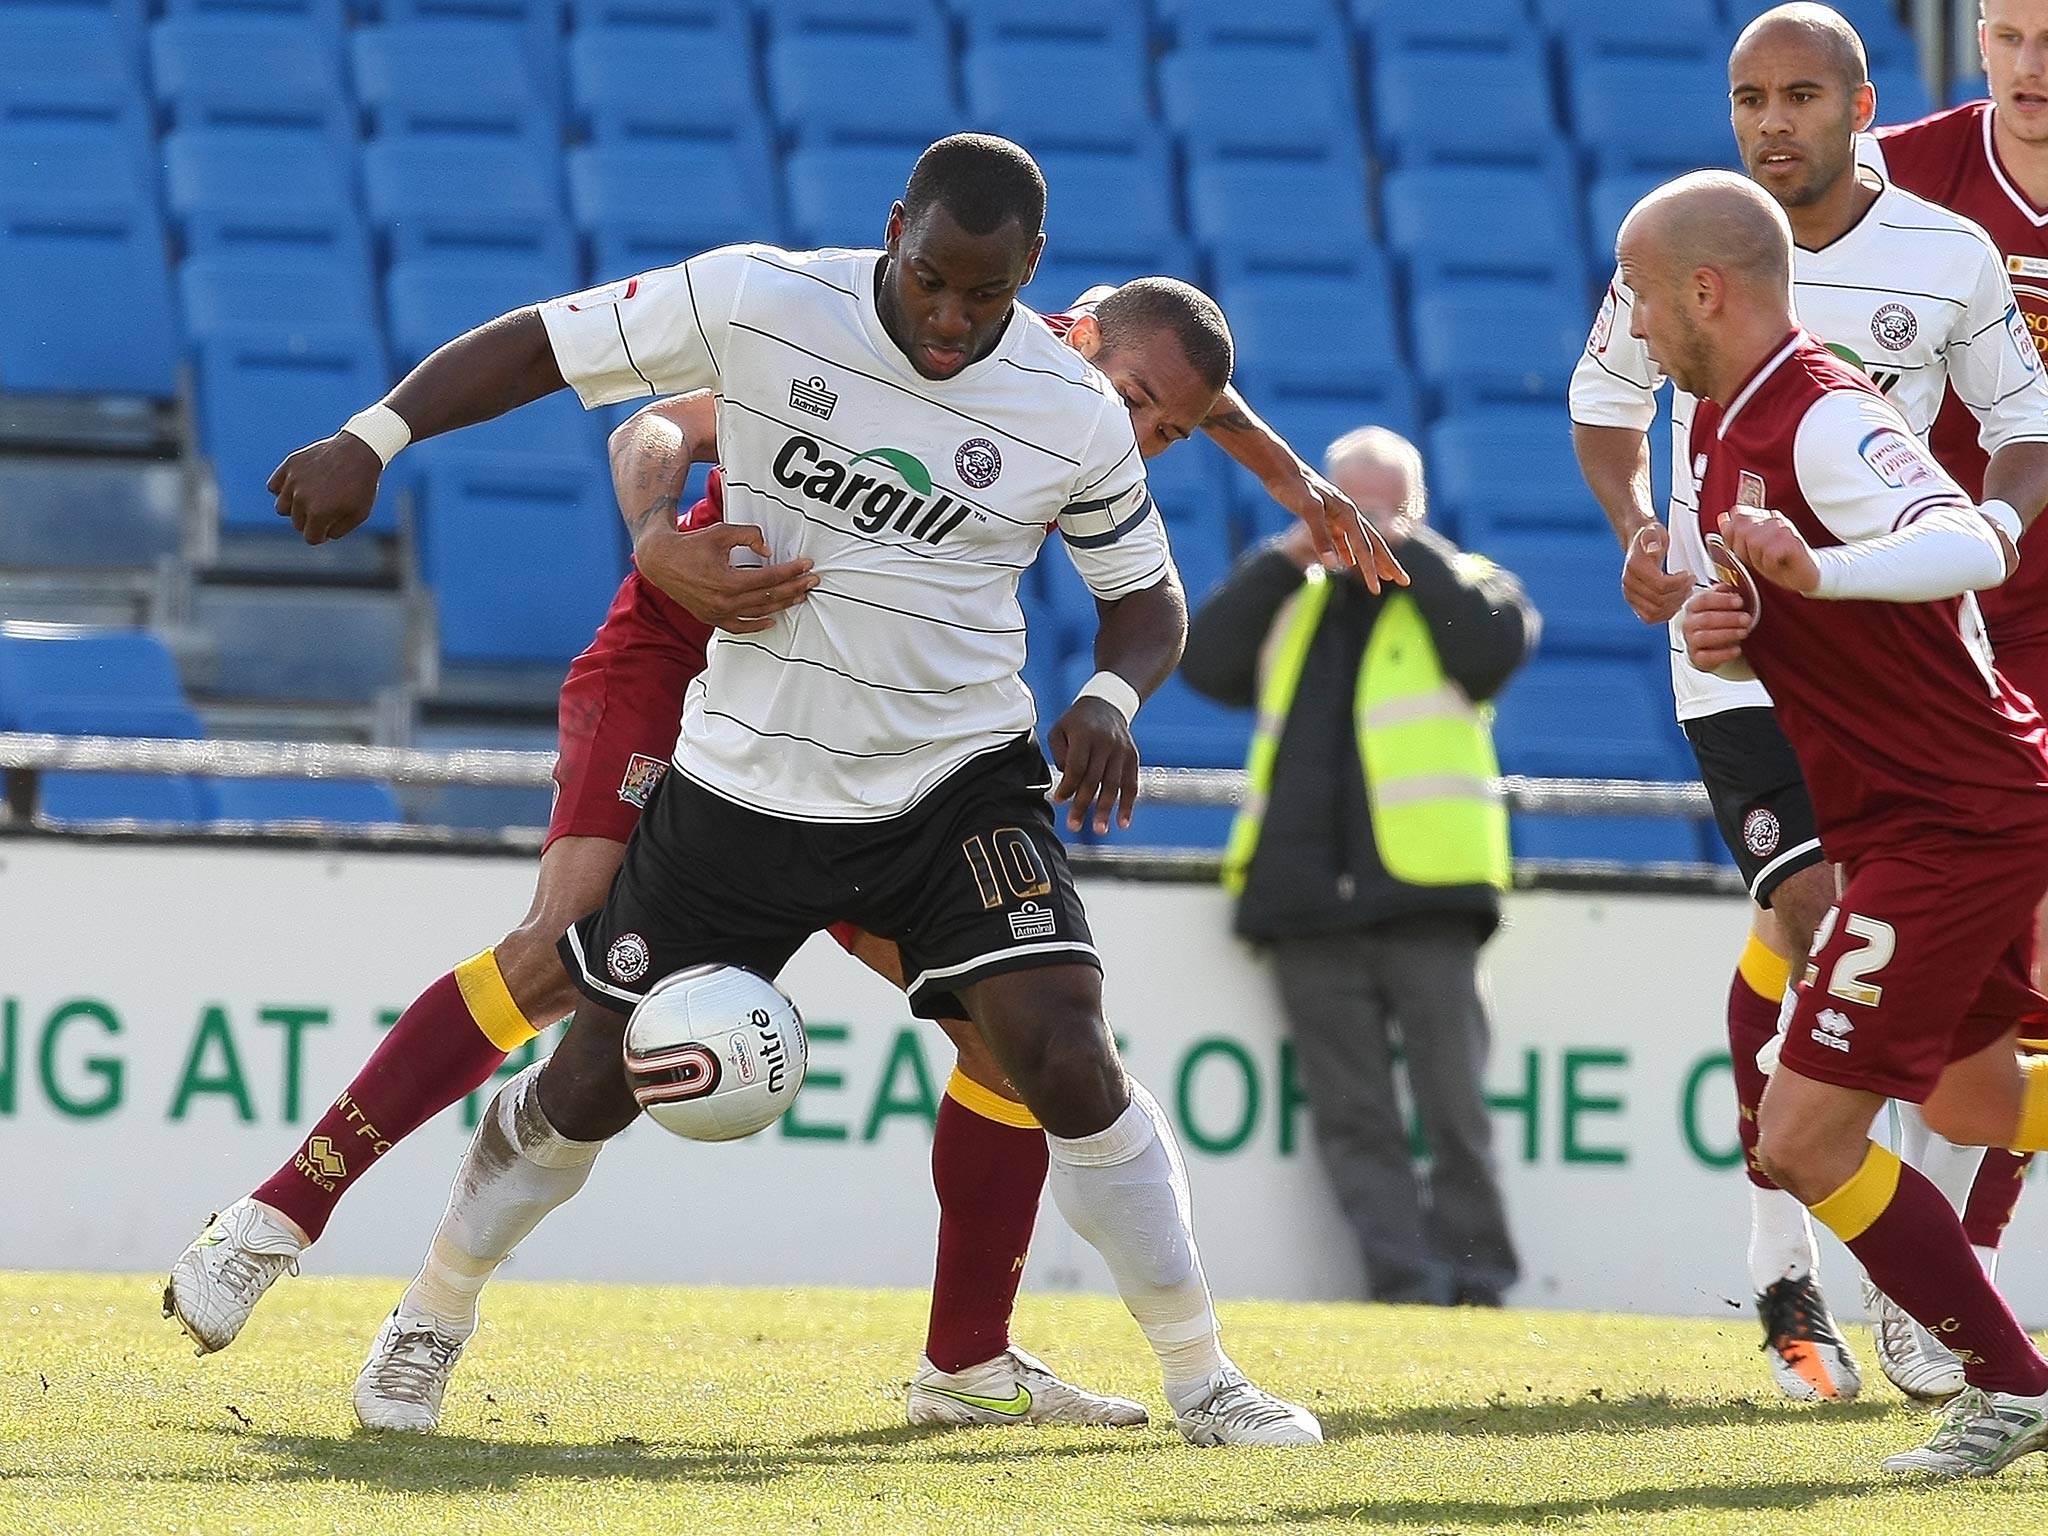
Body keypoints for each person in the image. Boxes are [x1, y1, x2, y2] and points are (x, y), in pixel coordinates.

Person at [224, 133, 1329, 1446]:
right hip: (747, 779)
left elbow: (1145, 600)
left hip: (952, 784)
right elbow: (543, 347)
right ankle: (429, 1317)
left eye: (984, 295)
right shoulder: (761, 297)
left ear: (1035, 274)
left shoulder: (1073, 413)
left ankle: (1202, 1381)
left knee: (1063, 1049)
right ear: (894, 230)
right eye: (930, 280)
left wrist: (1109, 696)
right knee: (588, 1080)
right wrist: (377, 435)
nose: (949, 318)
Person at [1568, 1, 2048, 1405]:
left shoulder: (1907, 295)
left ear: (1858, 106)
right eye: (1747, 99)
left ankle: (1914, 1271)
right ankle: (1811, 1267)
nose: (1771, 122)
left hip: (1895, 675)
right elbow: (1602, 406)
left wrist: (1908, 561)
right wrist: (1646, 539)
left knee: (1960, 1071)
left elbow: (2013, 446)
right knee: (1816, 914)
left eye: (1797, 97)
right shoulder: (1677, 264)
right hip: (1740, 667)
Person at [1180, 426, 1532, 1307]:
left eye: (1382, 505)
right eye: (1344, 502)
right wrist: (1289, 549)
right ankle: (1405, 1288)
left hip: (1428, 896)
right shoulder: (1290, 599)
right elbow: (1204, 659)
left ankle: (1478, 1285)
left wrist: (1411, 550)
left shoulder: (1465, 585)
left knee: (1454, 1110)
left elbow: (1492, 648)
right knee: (1355, 1119)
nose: (1361, 522)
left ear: (1416, 508)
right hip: (1303, 902)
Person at [1855, 0, 2048, 1393]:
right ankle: (1903, 1281)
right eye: (2009, 35)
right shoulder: (1908, 175)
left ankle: (1953, 1285)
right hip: (1956, 619)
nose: (2032, 70)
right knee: (1969, 957)